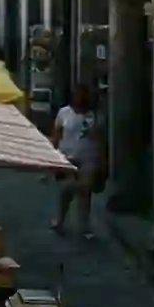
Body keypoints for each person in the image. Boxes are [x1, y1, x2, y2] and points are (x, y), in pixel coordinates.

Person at [51, 83, 106, 239]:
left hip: (88, 157)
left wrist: (102, 161)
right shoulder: (64, 113)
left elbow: (100, 140)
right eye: (78, 94)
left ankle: (84, 225)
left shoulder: (95, 116)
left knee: (85, 191)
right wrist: (53, 157)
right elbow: (56, 135)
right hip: (68, 157)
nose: (81, 97)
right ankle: (60, 219)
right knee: (66, 190)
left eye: (84, 94)